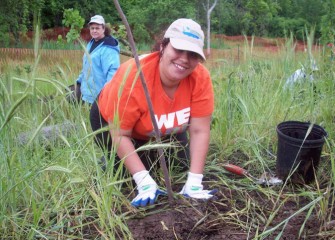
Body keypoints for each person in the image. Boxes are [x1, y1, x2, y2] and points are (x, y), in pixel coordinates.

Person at [90, 18, 216, 207]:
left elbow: (199, 130)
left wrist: (195, 182)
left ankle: (146, 156)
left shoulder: (200, 78)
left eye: (192, 54)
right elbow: (120, 134)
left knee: (180, 166)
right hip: (112, 124)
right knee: (129, 177)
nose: (184, 58)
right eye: (178, 49)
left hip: (165, 123)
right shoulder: (132, 76)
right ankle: (111, 160)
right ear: (163, 47)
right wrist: (143, 181)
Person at [74, 15, 120, 104]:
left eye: (97, 28)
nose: (94, 31)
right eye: (92, 28)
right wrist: (79, 81)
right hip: (87, 94)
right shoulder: (91, 44)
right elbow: (86, 67)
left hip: (99, 96)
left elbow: (113, 72)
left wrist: (106, 94)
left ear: (103, 29)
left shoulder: (108, 47)